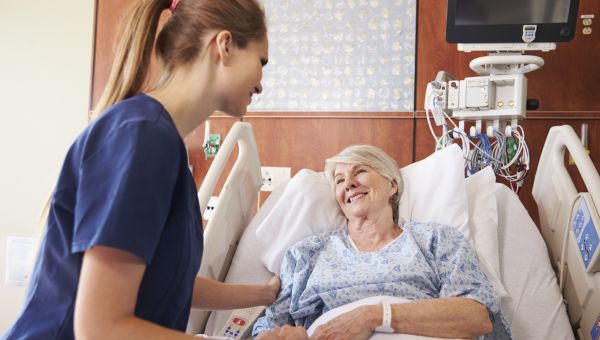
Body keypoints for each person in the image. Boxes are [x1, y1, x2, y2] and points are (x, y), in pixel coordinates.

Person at [3, 1, 280, 339]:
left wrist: (263, 294)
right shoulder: (143, 136)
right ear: (223, 46)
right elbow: (101, 329)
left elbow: (166, 282)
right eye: (261, 61)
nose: (261, 83)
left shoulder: (157, 139)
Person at [253, 145, 512, 340]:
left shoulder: (436, 241)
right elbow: (268, 328)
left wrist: (374, 316)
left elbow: (477, 318)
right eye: (339, 180)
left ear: (392, 186)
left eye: (360, 171)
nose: (349, 183)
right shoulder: (307, 254)